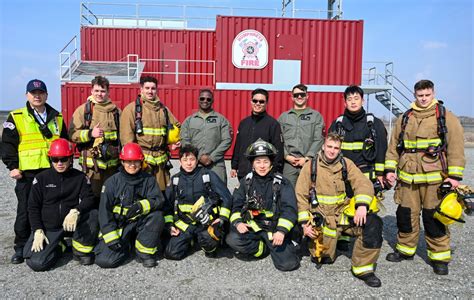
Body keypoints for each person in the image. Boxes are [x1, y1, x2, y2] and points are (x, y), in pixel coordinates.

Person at [384, 79, 465, 275]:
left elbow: (456, 148)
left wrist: (454, 177)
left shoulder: (445, 117)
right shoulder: (404, 118)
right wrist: (389, 170)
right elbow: (393, 147)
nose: (423, 99)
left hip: (434, 180)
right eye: (420, 95)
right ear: (414, 95)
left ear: (433, 93)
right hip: (408, 179)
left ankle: (439, 257)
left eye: (427, 95)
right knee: (405, 216)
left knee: (433, 217)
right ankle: (405, 250)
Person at [295, 133, 382, 287]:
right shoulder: (310, 166)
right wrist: (304, 224)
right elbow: (300, 195)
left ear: (340, 149)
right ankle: (311, 243)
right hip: (321, 216)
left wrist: (362, 205)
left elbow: (363, 183)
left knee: (373, 223)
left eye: (336, 148)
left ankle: (363, 269)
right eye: (329, 146)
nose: (332, 151)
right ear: (323, 146)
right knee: (323, 258)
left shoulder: (346, 164)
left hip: (341, 213)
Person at [1, 79, 68, 264]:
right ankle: (20, 248)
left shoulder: (57, 117)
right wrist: (12, 166)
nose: (37, 96)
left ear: (46, 95)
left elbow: (63, 143)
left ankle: (52, 242)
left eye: (40, 93)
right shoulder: (16, 116)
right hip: (27, 174)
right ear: (27, 95)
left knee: (51, 208)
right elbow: (7, 144)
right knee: (25, 210)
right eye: (33, 93)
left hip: (50, 172)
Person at [24, 139, 99, 271]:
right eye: (55, 159)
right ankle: (60, 246)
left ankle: (80, 249)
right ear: (50, 159)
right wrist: (37, 230)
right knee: (37, 263)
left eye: (63, 159)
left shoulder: (80, 177)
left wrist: (76, 210)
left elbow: (89, 199)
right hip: (49, 227)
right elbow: (33, 207)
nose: (59, 163)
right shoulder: (41, 178)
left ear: (70, 159)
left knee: (93, 214)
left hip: (71, 223)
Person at [328, 85, 388, 250]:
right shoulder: (338, 124)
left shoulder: (373, 124)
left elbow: (382, 150)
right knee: (342, 205)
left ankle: (366, 239)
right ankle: (343, 238)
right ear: (345, 102)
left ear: (362, 100)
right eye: (349, 99)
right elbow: (330, 150)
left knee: (366, 208)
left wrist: (381, 174)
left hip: (366, 175)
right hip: (342, 174)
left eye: (356, 99)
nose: (353, 102)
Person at [226, 139, 300, 271]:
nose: (262, 166)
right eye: (258, 162)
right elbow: (236, 205)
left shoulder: (282, 183)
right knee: (232, 239)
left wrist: (282, 231)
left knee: (288, 265)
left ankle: (277, 246)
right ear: (252, 163)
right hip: (254, 228)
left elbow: (290, 209)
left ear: (271, 163)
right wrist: (238, 223)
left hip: (275, 231)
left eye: (265, 161)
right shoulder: (246, 182)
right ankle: (263, 249)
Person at [95, 143, 165, 268]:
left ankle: (144, 252)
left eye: (136, 162)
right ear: (122, 162)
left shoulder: (148, 180)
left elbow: (159, 200)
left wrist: (142, 206)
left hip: (140, 223)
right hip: (120, 226)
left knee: (157, 216)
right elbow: (104, 212)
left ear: (141, 162)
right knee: (105, 261)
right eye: (128, 161)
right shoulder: (112, 182)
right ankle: (127, 246)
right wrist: (111, 238)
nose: (132, 165)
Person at [164, 144, 232, 259]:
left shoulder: (208, 175)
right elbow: (167, 206)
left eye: (192, 159)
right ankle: (191, 240)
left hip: (205, 223)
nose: (189, 163)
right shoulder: (175, 180)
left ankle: (207, 243)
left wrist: (221, 219)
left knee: (210, 248)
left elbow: (227, 197)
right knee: (171, 253)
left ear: (197, 160)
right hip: (185, 225)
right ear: (180, 161)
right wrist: (170, 225)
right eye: (185, 160)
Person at [120, 76, 181, 192]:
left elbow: (176, 126)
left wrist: (174, 142)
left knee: (162, 192)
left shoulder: (163, 110)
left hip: (161, 162)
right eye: (147, 88)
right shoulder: (131, 109)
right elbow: (127, 139)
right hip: (142, 162)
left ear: (156, 90)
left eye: (153, 88)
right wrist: (134, 161)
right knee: (141, 192)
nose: (150, 91)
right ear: (141, 89)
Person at [69, 75, 121, 200]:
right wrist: (90, 134)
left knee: (111, 198)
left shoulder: (116, 112)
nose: (100, 94)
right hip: (92, 168)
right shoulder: (83, 111)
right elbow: (72, 134)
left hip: (112, 167)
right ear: (91, 91)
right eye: (96, 91)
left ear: (108, 92)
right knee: (92, 199)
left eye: (103, 91)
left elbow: (123, 136)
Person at [180, 89, 233, 184]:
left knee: (219, 194)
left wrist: (212, 158)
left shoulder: (221, 120)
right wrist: (199, 156)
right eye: (202, 98)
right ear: (198, 100)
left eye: (208, 99)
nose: (205, 101)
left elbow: (227, 140)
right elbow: (185, 140)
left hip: (216, 164)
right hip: (195, 163)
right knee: (194, 193)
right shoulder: (189, 121)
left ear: (212, 101)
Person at [231, 88, 284, 180]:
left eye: (261, 101)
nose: (258, 103)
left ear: (266, 103)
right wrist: (234, 166)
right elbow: (238, 145)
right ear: (251, 101)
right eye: (255, 100)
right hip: (244, 172)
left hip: (263, 173)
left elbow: (278, 150)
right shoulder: (243, 123)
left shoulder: (273, 124)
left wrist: (274, 170)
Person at [278, 84, 325, 187]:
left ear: (307, 96)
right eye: (296, 95)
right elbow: (279, 140)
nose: (299, 97)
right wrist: (286, 156)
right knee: (287, 193)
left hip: (309, 162)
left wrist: (307, 158)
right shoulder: (284, 117)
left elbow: (319, 139)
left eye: (302, 94)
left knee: (308, 192)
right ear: (292, 97)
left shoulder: (316, 116)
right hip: (288, 163)